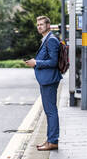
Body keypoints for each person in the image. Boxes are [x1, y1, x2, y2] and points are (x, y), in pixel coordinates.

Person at [25, 16, 62, 151]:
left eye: (41, 24)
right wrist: (36, 60)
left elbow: (53, 62)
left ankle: (52, 141)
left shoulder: (51, 40)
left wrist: (36, 63)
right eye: (38, 24)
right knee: (49, 111)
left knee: (51, 111)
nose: (39, 26)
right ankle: (50, 140)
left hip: (49, 80)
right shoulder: (47, 39)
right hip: (47, 79)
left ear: (48, 25)